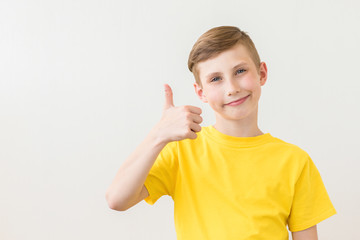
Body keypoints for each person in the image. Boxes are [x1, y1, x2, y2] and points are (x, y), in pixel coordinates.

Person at [105, 26, 337, 240]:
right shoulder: (183, 150)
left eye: (240, 71)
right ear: (201, 92)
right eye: (216, 79)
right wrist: (159, 134)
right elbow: (117, 199)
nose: (232, 88)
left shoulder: (295, 161)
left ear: (262, 73)